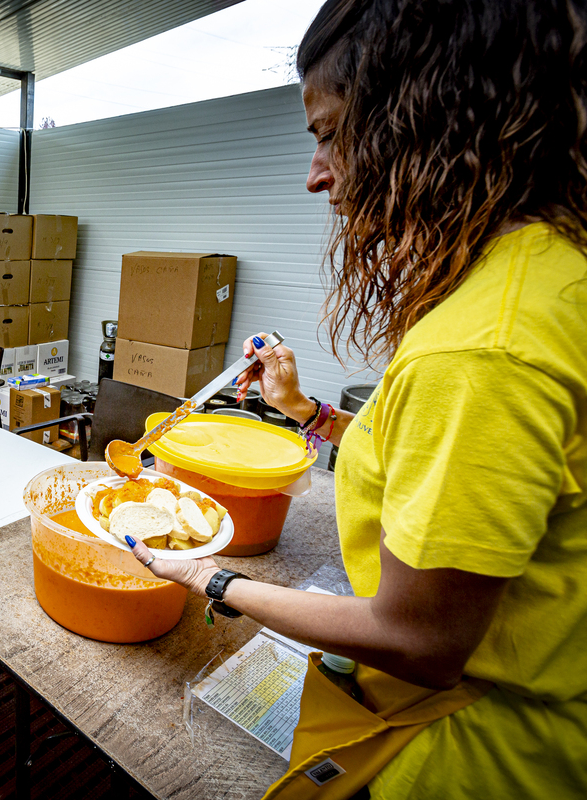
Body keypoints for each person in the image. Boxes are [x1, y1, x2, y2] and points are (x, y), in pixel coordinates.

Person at [128, 1, 587, 797]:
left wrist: (207, 578)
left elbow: (419, 639)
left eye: (329, 132)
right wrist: (308, 411)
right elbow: (464, 467)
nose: (316, 174)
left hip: (472, 754)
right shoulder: (549, 275)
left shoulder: (486, 346)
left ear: (435, 116)